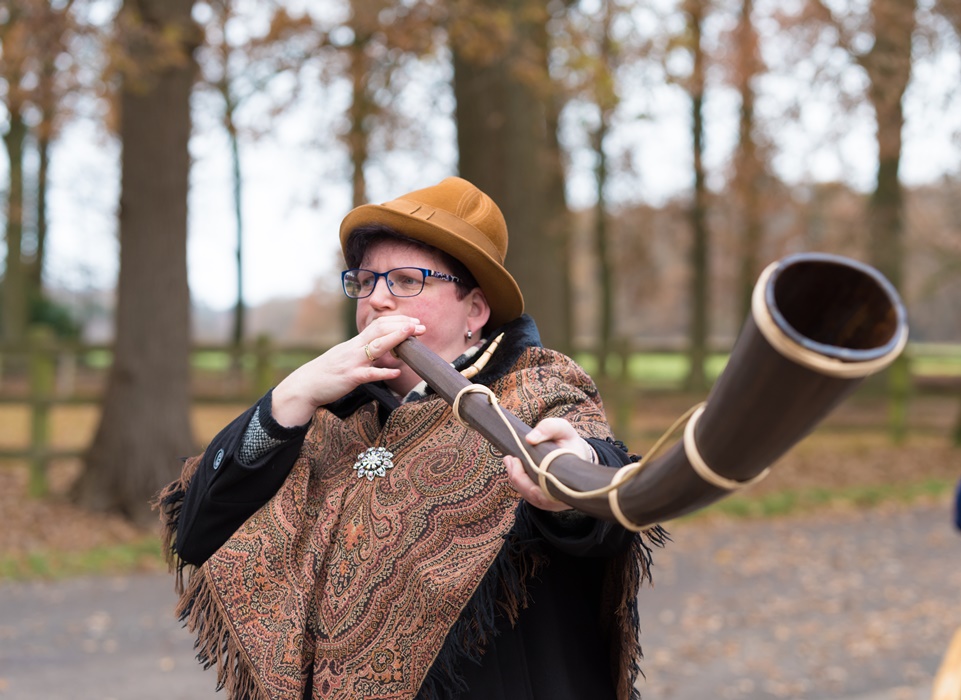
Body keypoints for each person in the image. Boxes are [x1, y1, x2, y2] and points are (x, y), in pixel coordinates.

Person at [157, 176, 666, 700]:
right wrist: (288, 400)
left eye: (404, 280)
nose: (376, 300)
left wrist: (575, 472)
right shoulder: (328, 415)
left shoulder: (540, 390)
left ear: (475, 310)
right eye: (365, 280)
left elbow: (602, 511)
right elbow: (197, 532)